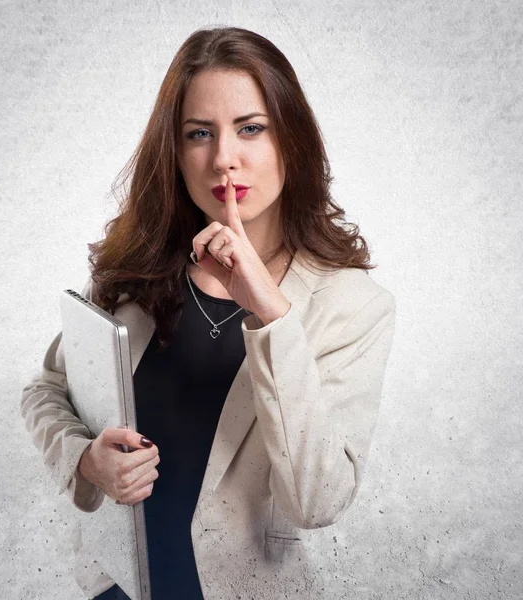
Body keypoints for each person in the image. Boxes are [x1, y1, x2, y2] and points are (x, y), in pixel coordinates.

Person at [21, 26, 396, 600]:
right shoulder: (135, 269)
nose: (224, 159)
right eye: (200, 133)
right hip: (114, 586)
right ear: (174, 151)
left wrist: (270, 314)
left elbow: (316, 503)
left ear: (290, 141)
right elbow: (47, 389)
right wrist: (85, 461)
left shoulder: (352, 307)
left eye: (251, 128)